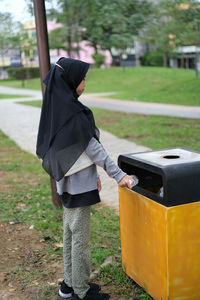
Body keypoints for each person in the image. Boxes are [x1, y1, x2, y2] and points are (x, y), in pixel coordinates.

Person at [36, 57, 135, 300]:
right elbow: (94, 149)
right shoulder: (75, 115)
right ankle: (80, 291)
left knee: (69, 235)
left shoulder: (56, 111)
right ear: (71, 81)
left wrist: (93, 176)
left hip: (67, 186)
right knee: (80, 240)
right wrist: (119, 175)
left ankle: (69, 284)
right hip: (79, 189)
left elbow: (63, 154)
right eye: (82, 78)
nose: (84, 82)